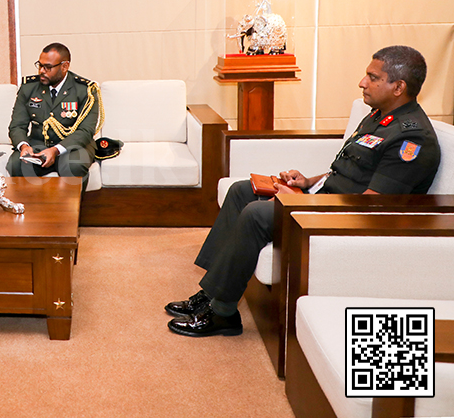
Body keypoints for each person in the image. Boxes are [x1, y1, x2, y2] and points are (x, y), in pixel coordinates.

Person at [166, 46, 440, 337]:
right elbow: (346, 172)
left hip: (345, 218)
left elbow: (371, 206)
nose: (362, 82)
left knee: (256, 214)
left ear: (398, 87)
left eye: (372, 77)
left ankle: (223, 312)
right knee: (241, 191)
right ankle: (210, 293)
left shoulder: (412, 138)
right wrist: (308, 183)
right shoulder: (378, 116)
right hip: (326, 201)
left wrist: (305, 203)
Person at [7, 42, 102, 187]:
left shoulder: (85, 90)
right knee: (16, 164)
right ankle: (30, 209)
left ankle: (69, 210)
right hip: (38, 144)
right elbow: (17, 126)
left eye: (48, 67)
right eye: (40, 65)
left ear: (64, 66)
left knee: (72, 166)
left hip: (73, 146)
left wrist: (56, 150)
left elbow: (85, 131)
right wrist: (24, 146)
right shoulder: (29, 88)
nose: (42, 71)